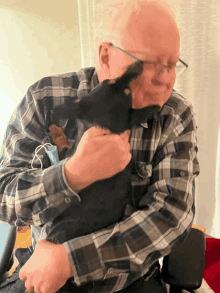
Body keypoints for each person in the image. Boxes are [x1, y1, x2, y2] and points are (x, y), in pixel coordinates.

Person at [0, 0, 200, 292]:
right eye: (151, 63)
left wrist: (71, 260)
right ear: (106, 56)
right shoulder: (44, 100)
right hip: (40, 275)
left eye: (172, 65)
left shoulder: (176, 114)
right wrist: (71, 175)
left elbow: (171, 215)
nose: (165, 80)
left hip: (130, 282)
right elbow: (4, 197)